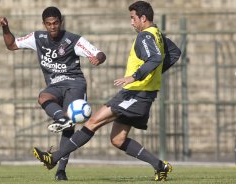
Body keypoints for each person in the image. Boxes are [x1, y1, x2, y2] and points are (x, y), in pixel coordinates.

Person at [33, 1, 181, 182]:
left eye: (133, 18)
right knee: (118, 139)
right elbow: (174, 53)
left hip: (136, 93)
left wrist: (135, 76)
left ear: (143, 18)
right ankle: (161, 167)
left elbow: (156, 58)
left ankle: (53, 158)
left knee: (93, 122)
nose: (132, 22)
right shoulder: (156, 33)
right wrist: (154, 74)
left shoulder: (145, 36)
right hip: (140, 93)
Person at [0, 6, 106, 181]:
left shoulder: (73, 40)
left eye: (55, 23)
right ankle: (62, 119)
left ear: (60, 23)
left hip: (74, 83)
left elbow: (99, 53)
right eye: (49, 24)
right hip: (54, 85)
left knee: (69, 129)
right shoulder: (37, 38)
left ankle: (61, 170)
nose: (52, 27)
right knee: (43, 97)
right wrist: (5, 27)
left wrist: (97, 59)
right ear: (44, 24)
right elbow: (11, 45)